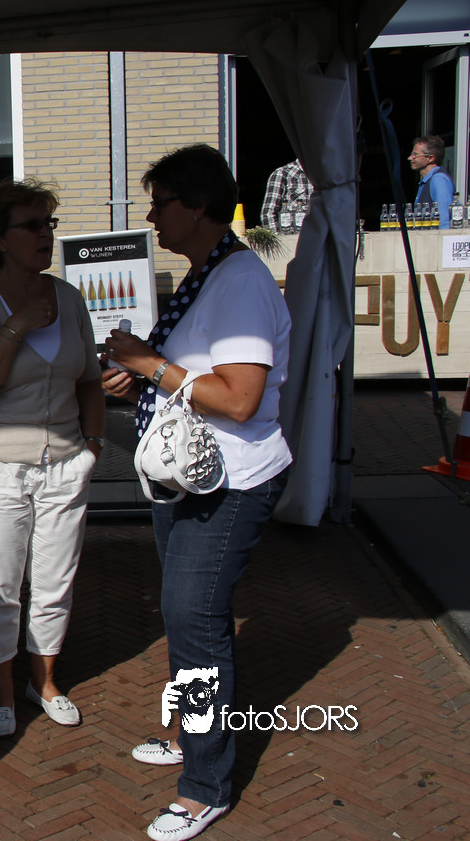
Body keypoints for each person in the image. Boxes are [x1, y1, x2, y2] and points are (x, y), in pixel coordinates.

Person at [102, 144, 291, 841]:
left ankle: (205, 785)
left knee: (194, 617)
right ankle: (192, 735)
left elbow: (239, 399)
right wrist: (139, 380)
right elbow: (193, 379)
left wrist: (150, 364)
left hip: (229, 482)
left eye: (161, 204)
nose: (151, 217)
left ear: (200, 205)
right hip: (190, 477)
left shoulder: (239, 282)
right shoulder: (207, 275)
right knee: (188, 619)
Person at [0, 178, 105, 739]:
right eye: (32, 226)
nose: (46, 235)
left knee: (55, 582)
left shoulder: (70, 298)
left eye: (49, 224)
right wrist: (17, 326)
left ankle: (43, 682)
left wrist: (92, 446)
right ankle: (0, 689)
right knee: (0, 587)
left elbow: (89, 380)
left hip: (65, 463)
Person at [258, 158, 312, 235]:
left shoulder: (325, 174)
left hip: (319, 238)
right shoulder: (282, 173)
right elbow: (268, 214)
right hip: (293, 239)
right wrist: (281, 240)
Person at [410, 135, 455, 228]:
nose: (410, 158)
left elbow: (443, 220)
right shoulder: (427, 181)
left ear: (430, 158)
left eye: (415, 155)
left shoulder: (438, 179)